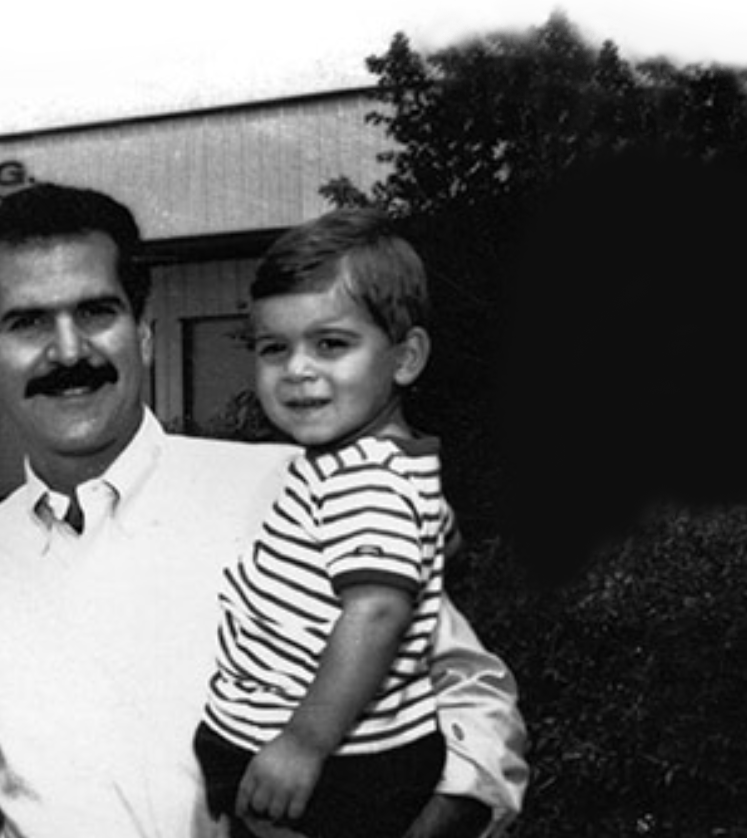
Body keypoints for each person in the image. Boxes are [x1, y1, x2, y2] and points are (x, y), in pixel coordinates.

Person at [0, 183, 527, 838]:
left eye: (97, 313)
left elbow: (471, 699)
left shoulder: (294, 492)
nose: (70, 352)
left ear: (143, 334)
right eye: (27, 322)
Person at [195, 209, 447, 838]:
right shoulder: (360, 463)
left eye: (331, 344)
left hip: (331, 769)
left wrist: (304, 741)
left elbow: (377, 612)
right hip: (317, 759)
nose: (297, 369)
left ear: (406, 357)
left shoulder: (365, 474)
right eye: (274, 348)